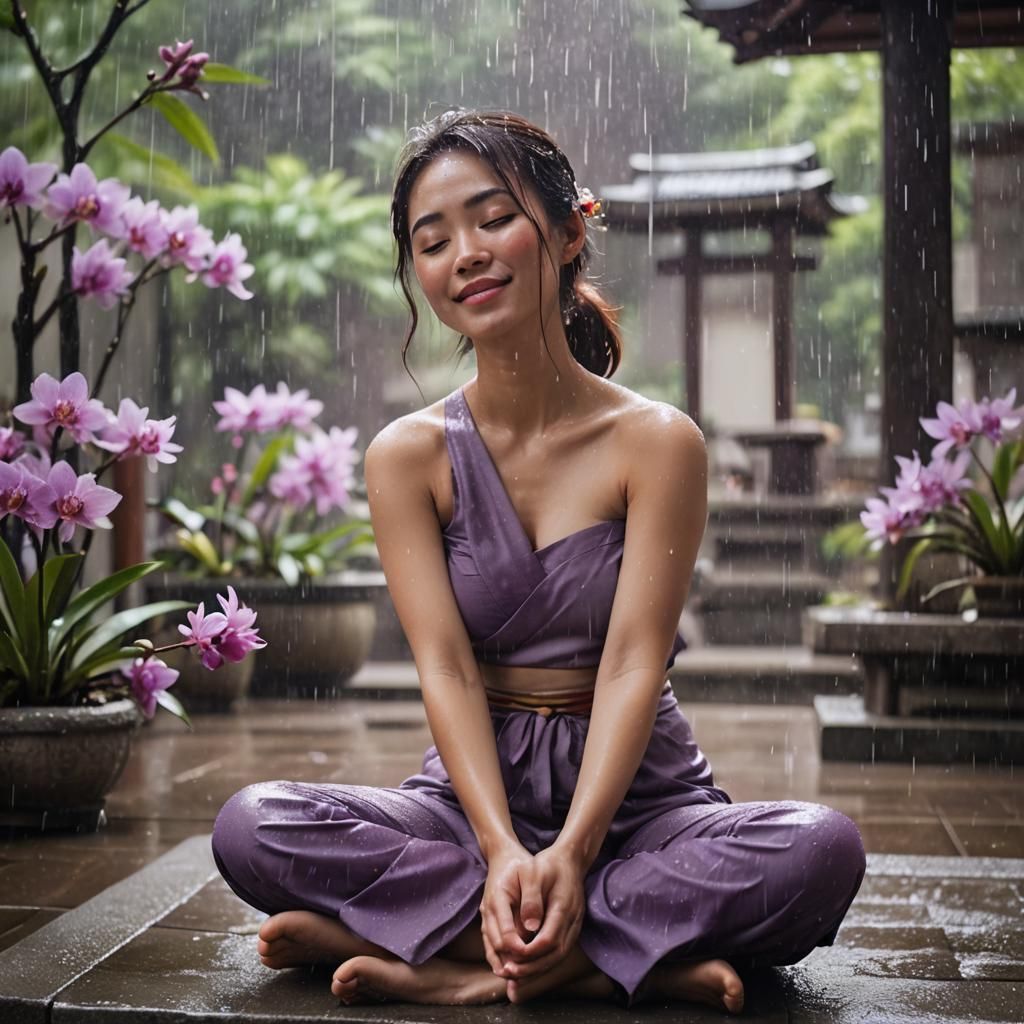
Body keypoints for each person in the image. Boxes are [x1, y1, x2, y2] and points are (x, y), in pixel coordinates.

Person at [211, 109, 866, 1014]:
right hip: (465, 800)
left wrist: (573, 848)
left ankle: (463, 952)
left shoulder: (657, 442)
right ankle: (616, 955)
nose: (465, 254)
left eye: (492, 219)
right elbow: (442, 665)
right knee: (252, 825)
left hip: (641, 803)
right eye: (432, 241)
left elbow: (636, 658)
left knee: (821, 849)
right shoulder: (406, 456)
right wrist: (502, 848)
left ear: (566, 232)